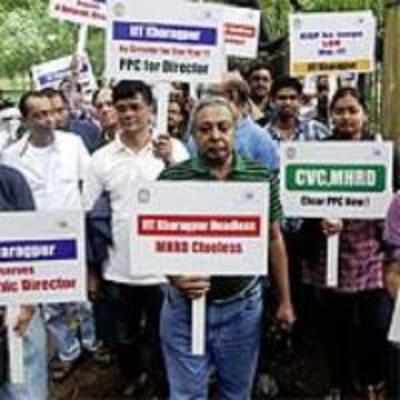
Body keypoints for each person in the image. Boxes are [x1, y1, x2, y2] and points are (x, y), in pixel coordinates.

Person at [158, 96, 295, 400]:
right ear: (193, 136)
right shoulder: (172, 178)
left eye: (223, 127)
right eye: (205, 129)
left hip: (242, 307)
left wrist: (285, 301)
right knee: (185, 394)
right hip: (184, 308)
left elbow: (274, 239)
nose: (215, 136)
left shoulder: (259, 176)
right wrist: (174, 277)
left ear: (236, 131)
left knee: (236, 393)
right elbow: (156, 241)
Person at [83, 80, 189, 397]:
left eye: (135, 106)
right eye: (121, 107)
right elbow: (89, 217)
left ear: (151, 111)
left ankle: (160, 384)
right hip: (119, 268)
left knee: (163, 337)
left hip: (163, 270)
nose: (128, 114)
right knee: (124, 336)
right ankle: (132, 379)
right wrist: (92, 272)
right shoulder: (100, 159)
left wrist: (171, 161)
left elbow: (191, 201)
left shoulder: (173, 149)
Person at [301, 87, 392, 400]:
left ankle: (371, 380)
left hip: (372, 254)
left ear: (365, 114)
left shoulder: (383, 152)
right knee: (334, 326)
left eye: (352, 110)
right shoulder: (317, 152)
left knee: (375, 325)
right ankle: (338, 382)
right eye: (339, 111)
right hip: (329, 255)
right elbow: (302, 200)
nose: (346, 117)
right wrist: (318, 220)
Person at [2, 91, 97, 382]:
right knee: (51, 305)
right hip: (37, 243)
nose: (48, 120)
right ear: (26, 120)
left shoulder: (73, 144)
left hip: (74, 235)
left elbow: (89, 187)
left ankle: (92, 344)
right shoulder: (12, 156)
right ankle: (67, 352)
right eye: (39, 115)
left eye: (51, 113)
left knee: (81, 299)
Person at [0, 165, 48, 400]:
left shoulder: (10, 180)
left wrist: (29, 300)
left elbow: (33, 242)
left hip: (16, 306)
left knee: (23, 388)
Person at [188, 75, 280, 172]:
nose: (215, 136)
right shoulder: (195, 137)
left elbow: (269, 180)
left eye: (212, 97)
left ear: (232, 97)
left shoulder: (261, 140)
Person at [41, 88, 103, 153]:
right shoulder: (38, 143)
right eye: (51, 113)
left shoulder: (89, 129)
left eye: (60, 110)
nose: (57, 118)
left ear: (67, 106)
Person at [246, 61, 275, 125]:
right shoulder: (240, 110)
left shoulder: (277, 110)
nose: (260, 84)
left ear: (271, 83)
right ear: (248, 82)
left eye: (265, 79)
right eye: (256, 79)